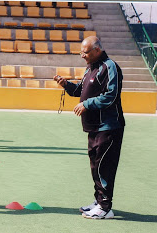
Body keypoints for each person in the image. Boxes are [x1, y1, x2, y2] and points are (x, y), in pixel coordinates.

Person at [54, 36, 125, 219]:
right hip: (93, 127)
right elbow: (80, 91)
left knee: (104, 167)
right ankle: (99, 201)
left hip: (108, 126)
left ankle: (105, 207)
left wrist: (87, 104)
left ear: (97, 50)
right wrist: (67, 85)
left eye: (85, 52)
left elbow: (112, 95)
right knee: (95, 166)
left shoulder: (110, 67)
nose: (82, 55)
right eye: (81, 52)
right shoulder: (90, 69)